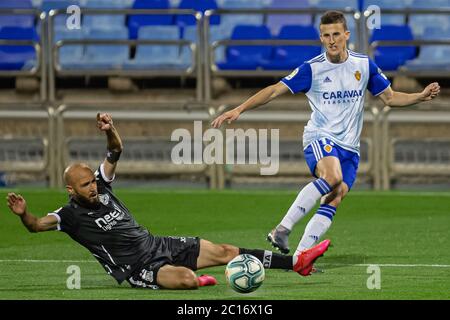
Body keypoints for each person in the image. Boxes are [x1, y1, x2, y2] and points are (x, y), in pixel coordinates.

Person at [6, 113, 330, 290]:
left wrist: (110, 129)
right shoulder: (68, 215)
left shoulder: (103, 184)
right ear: (70, 190)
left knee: (226, 251)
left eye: (92, 181)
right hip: (137, 268)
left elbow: (115, 151)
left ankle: (296, 264)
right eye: (85, 185)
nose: (92, 187)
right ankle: (195, 277)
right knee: (188, 282)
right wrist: (24, 214)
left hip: (156, 244)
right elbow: (36, 226)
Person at [211, 11, 440, 258]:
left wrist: (419, 96)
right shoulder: (313, 69)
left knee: (335, 195)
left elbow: (390, 97)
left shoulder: (363, 65)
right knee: (332, 177)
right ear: (321, 37)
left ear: (346, 35)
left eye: (336, 35)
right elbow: (274, 90)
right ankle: (282, 228)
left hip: (350, 147)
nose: (332, 40)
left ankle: (300, 257)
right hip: (320, 137)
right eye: (326, 35)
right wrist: (239, 108)